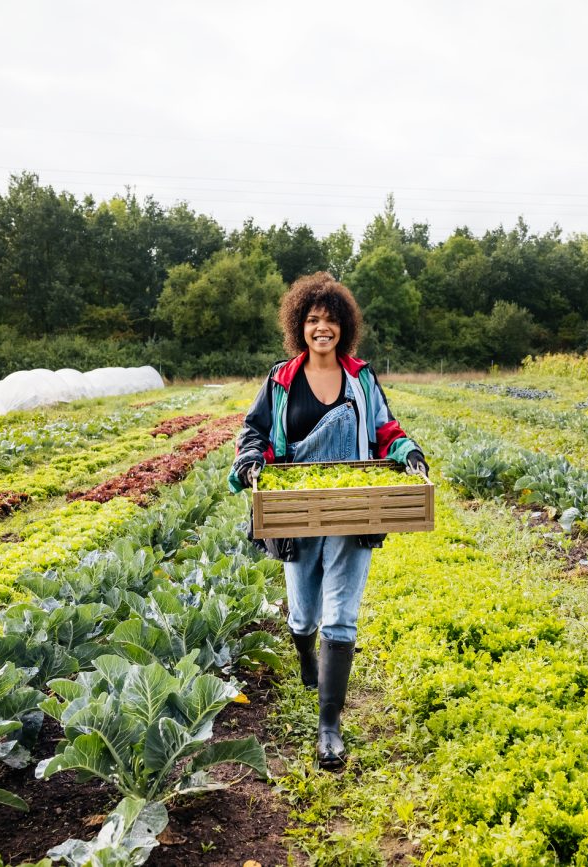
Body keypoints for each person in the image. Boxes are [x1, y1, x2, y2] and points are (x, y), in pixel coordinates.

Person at [228, 271, 428, 770]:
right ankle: (304, 654)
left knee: (342, 613)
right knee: (303, 611)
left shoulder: (360, 377)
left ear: (344, 327)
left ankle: (329, 728)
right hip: (296, 511)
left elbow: (384, 427)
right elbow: (253, 432)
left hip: (353, 508)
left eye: (331, 320)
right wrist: (252, 463)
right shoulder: (280, 380)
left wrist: (407, 451)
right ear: (300, 325)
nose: (323, 328)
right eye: (314, 320)